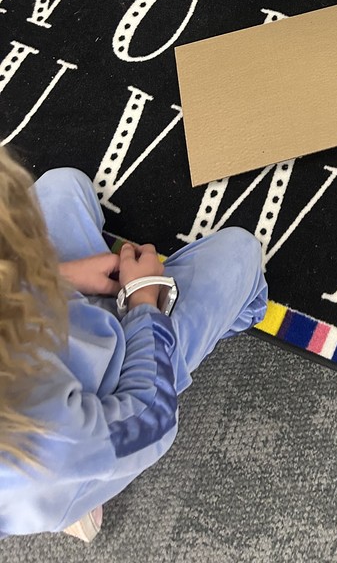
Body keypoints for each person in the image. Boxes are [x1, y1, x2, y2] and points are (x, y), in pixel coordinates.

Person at [0, 146, 267, 540]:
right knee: (241, 253)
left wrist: (55, 276)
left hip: (63, 323)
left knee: (63, 184)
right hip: (125, 383)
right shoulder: (48, 438)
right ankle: (78, 496)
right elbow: (150, 418)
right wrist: (143, 303)